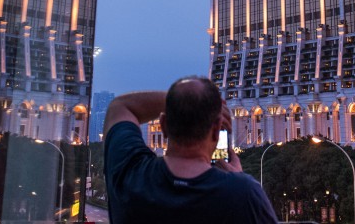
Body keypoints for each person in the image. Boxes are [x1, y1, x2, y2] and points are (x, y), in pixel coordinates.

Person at [103, 76, 278, 223]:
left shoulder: (130, 173)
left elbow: (119, 106)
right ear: (216, 129)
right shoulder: (243, 194)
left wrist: (180, 102)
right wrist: (238, 180)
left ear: (163, 125)